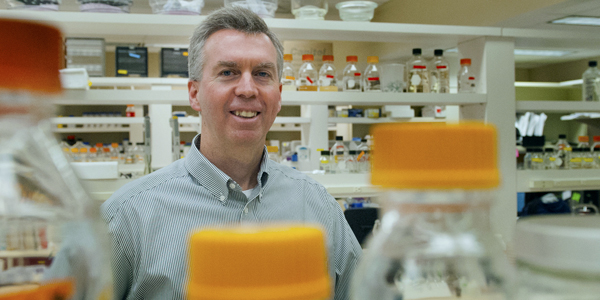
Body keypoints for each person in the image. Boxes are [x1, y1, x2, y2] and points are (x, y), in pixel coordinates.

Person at [101, 6, 362, 300]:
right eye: (228, 72)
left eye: (262, 73)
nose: (248, 89)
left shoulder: (320, 208)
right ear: (194, 93)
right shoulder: (127, 216)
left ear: (278, 96)